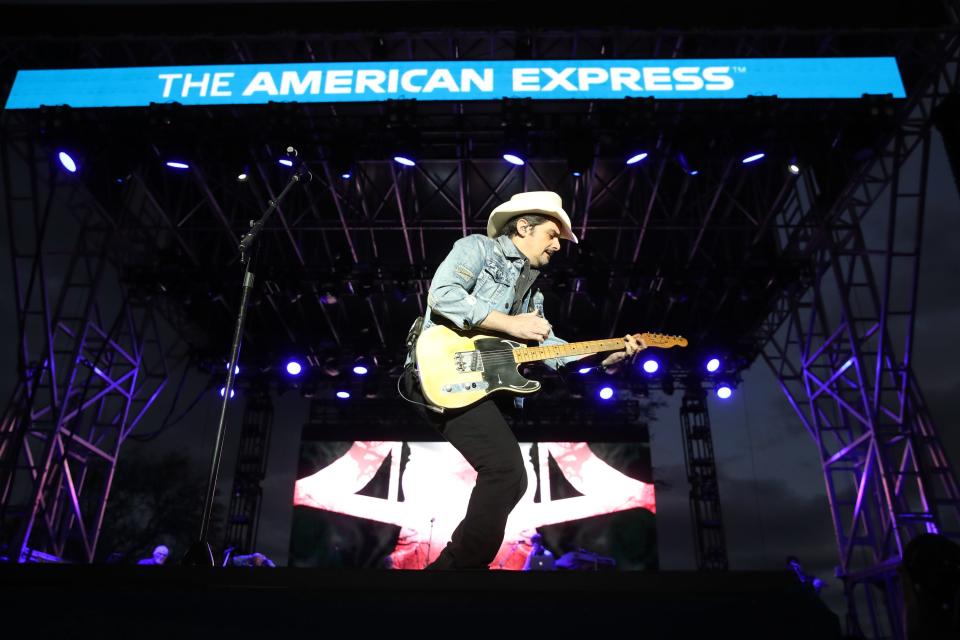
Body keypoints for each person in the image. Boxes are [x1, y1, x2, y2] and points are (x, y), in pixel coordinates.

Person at [401, 190, 641, 570]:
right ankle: (453, 571)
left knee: (511, 478)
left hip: (470, 383)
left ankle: (452, 569)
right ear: (523, 227)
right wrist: (510, 323)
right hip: (437, 370)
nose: (557, 246)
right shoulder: (478, 248)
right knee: (506, 470)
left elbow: (548, 346)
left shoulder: (532, 293)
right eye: (552, 235)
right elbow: (443, 295)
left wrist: (602, 357)